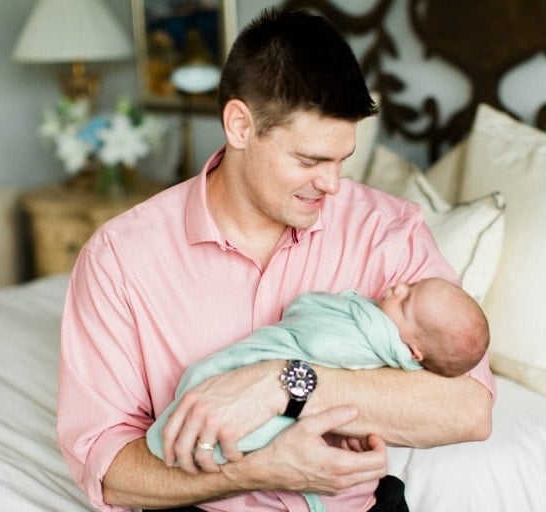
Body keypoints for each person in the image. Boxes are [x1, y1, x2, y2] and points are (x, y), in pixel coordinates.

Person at [57, 7, 496, 512]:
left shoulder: (387, 231)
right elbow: (107, 469)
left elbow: (469, 409)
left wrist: (283, 383)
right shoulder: (120, 259)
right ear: (240, 125)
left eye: (341, 160)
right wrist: (257, 469)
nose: (332, 185)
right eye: (309, 161)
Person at [145, 277, 488, 512]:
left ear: (413, 351)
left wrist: (284, 382)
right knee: (211, 392)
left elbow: (317, 338)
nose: (398, 286)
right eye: (410, 286)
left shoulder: (375, 338)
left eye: (407, 301)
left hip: (361, 501)